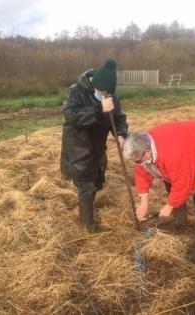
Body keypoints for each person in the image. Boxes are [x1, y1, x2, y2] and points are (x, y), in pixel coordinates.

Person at [123, 120, 195, 261]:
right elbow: (142, 172)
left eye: (138, 160)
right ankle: (180, 220)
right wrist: (143, 202)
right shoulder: (143, 147)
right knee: (168, 177)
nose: (137, 164)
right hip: (184, 144)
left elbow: (182, 182)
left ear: (147, 152)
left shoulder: (173, 154)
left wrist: (169, 205)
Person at [60, 59, 128, 233]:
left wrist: (120, 134)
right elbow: (71, 115)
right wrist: (98, 109)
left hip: (98, 146)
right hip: (79, 146)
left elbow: (119, 117)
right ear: (94, 83)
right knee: (85, 184)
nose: (104, 94)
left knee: (97, 180)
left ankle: (88, 205)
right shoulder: (76, 91)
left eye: (107, 93)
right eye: (101, 91)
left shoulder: (112, 96)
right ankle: (88, 225)